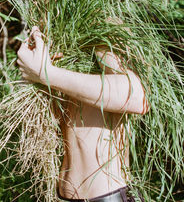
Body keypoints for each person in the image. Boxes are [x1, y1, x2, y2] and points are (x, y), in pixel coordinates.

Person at [17, 25, 149, 202]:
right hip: (61, 195)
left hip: (107, 196)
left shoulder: (101, 23)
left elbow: (136, 97)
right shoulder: (52, 31)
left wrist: (47, 74)